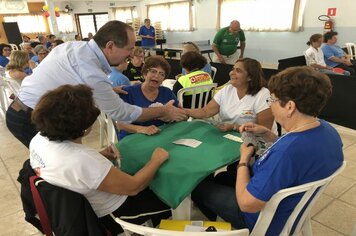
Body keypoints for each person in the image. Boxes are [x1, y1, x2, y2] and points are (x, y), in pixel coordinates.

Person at [191, 66, 344, 235]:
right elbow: (298, 152)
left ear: (290, 107)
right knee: (221, 177)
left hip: (264, 217)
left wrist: (243, 158)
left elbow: (247, 204)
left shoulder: (285, 154)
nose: (270, 106)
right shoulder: (327, 130)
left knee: (197, 186)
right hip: (290, 203)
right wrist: (269, 135)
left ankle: (222, 227)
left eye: (272, 100)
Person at [6, 20, 187, 148]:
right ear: (110, 46)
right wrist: (163, 110)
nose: (131, 55)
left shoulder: (73, 47)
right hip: (31, 119)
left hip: (24, 110)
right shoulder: (93, 73)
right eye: (129, 49)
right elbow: (122, 113)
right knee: (52, 172)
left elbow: (64, 79)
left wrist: (106, 90)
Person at [30, 84, 172, 235]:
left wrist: (100, 155)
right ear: (83, 127)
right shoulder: (82, 160)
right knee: (171, 195)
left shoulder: (39, 139)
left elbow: (68, 165)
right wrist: (156, 160)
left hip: (70, 208)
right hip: (115, 215)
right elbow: (134, 187)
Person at [185, 58, 275, 133]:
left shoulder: (262, 94)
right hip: (228, 136)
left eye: (238, 71)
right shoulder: (226, 90)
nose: (232, 73)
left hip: (255, 140)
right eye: (233, 69)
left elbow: (264, 129)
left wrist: (234, 127)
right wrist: (184, 111)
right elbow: (206, 111)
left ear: (250, 77)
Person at [118, 56, 179, 139]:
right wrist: (143, 129)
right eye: (153, 71)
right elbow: (121, 124)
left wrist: (173, 117)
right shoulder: (128, 92)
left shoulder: (167, 92)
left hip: (159, 135)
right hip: (133, 137)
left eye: (162, 74)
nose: (157, 76)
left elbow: (181, 114)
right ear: (145, 74)